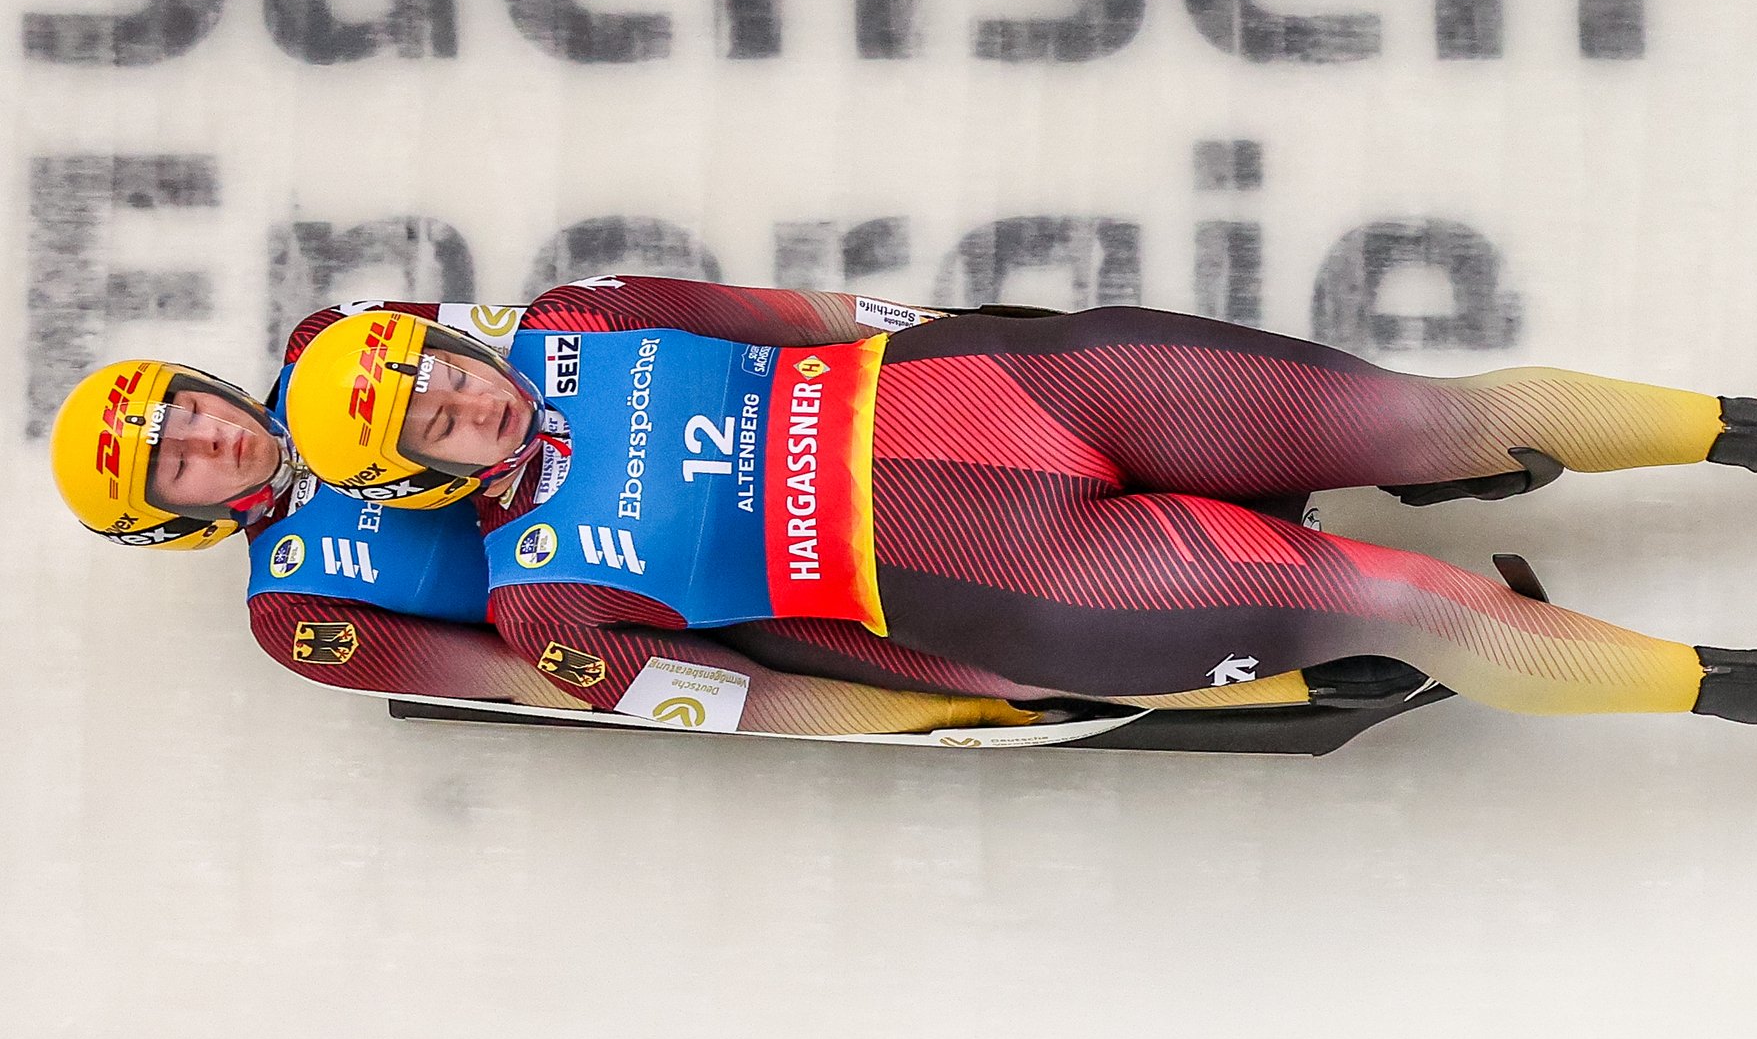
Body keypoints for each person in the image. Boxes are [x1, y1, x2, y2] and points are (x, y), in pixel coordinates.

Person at [282, 275, 1757, 727]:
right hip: (1015, 565)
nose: (459, 396)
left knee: (1424, 414)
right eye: (426, 419)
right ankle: (1726, 689)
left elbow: (797, 315)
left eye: (434, 362)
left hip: (1020, 385)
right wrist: (980, 702)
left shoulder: (582, 318)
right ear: (416, 470)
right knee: (1397, 598)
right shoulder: (540, 604)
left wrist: (987, 329)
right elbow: (773, 693)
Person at [45, 301, 1094, 735]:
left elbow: (520, 349)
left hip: (753, 446)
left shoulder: (339, 343)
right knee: (1006, 666)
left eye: (184, 412)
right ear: (169, 520)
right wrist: (813, 713)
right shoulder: (296, 612)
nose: (210, 438)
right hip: (689, 595)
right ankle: (1013, 690)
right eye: (176, 463)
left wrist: (896, 329)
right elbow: (523, 679)